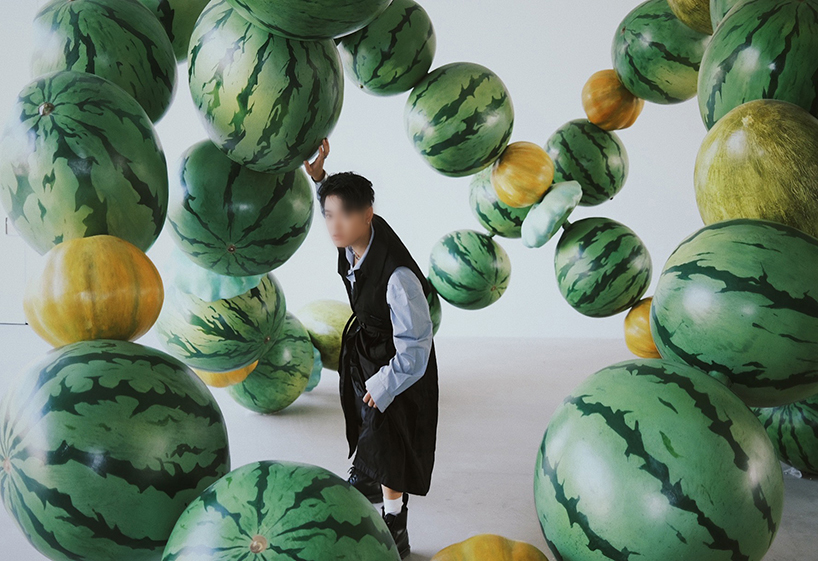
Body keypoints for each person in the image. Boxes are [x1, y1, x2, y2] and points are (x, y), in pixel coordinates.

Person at [303, 138, 439, 558]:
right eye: (328, 216)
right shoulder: (354, 243)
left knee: (390, 439)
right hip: (367, 349)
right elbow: (338, 202)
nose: (334, 226)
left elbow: (416, 349)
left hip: (400, 364)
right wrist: (320, 178)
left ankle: (396, 524)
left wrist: (384, 384)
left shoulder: (398, 278)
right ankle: (367, 475)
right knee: (367, 425)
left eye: (344, 215)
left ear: (369, 215)